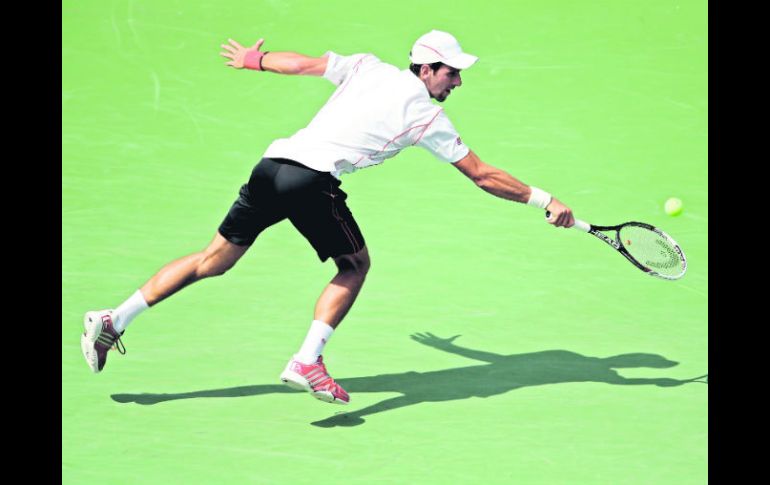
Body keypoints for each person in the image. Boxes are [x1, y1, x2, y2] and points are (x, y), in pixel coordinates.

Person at [80, 30, 575, 405]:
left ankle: (113, 319)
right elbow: (482, 175)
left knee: (213, 261)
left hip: (271, 167)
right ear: (426, 70)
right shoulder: (426, 116)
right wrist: (544, 199)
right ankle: (307, 360)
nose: (458, 80)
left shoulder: (366, 67)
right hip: (312, 180)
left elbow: (303, 66)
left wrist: (257, 60)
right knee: (355, 266)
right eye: (451, 72)